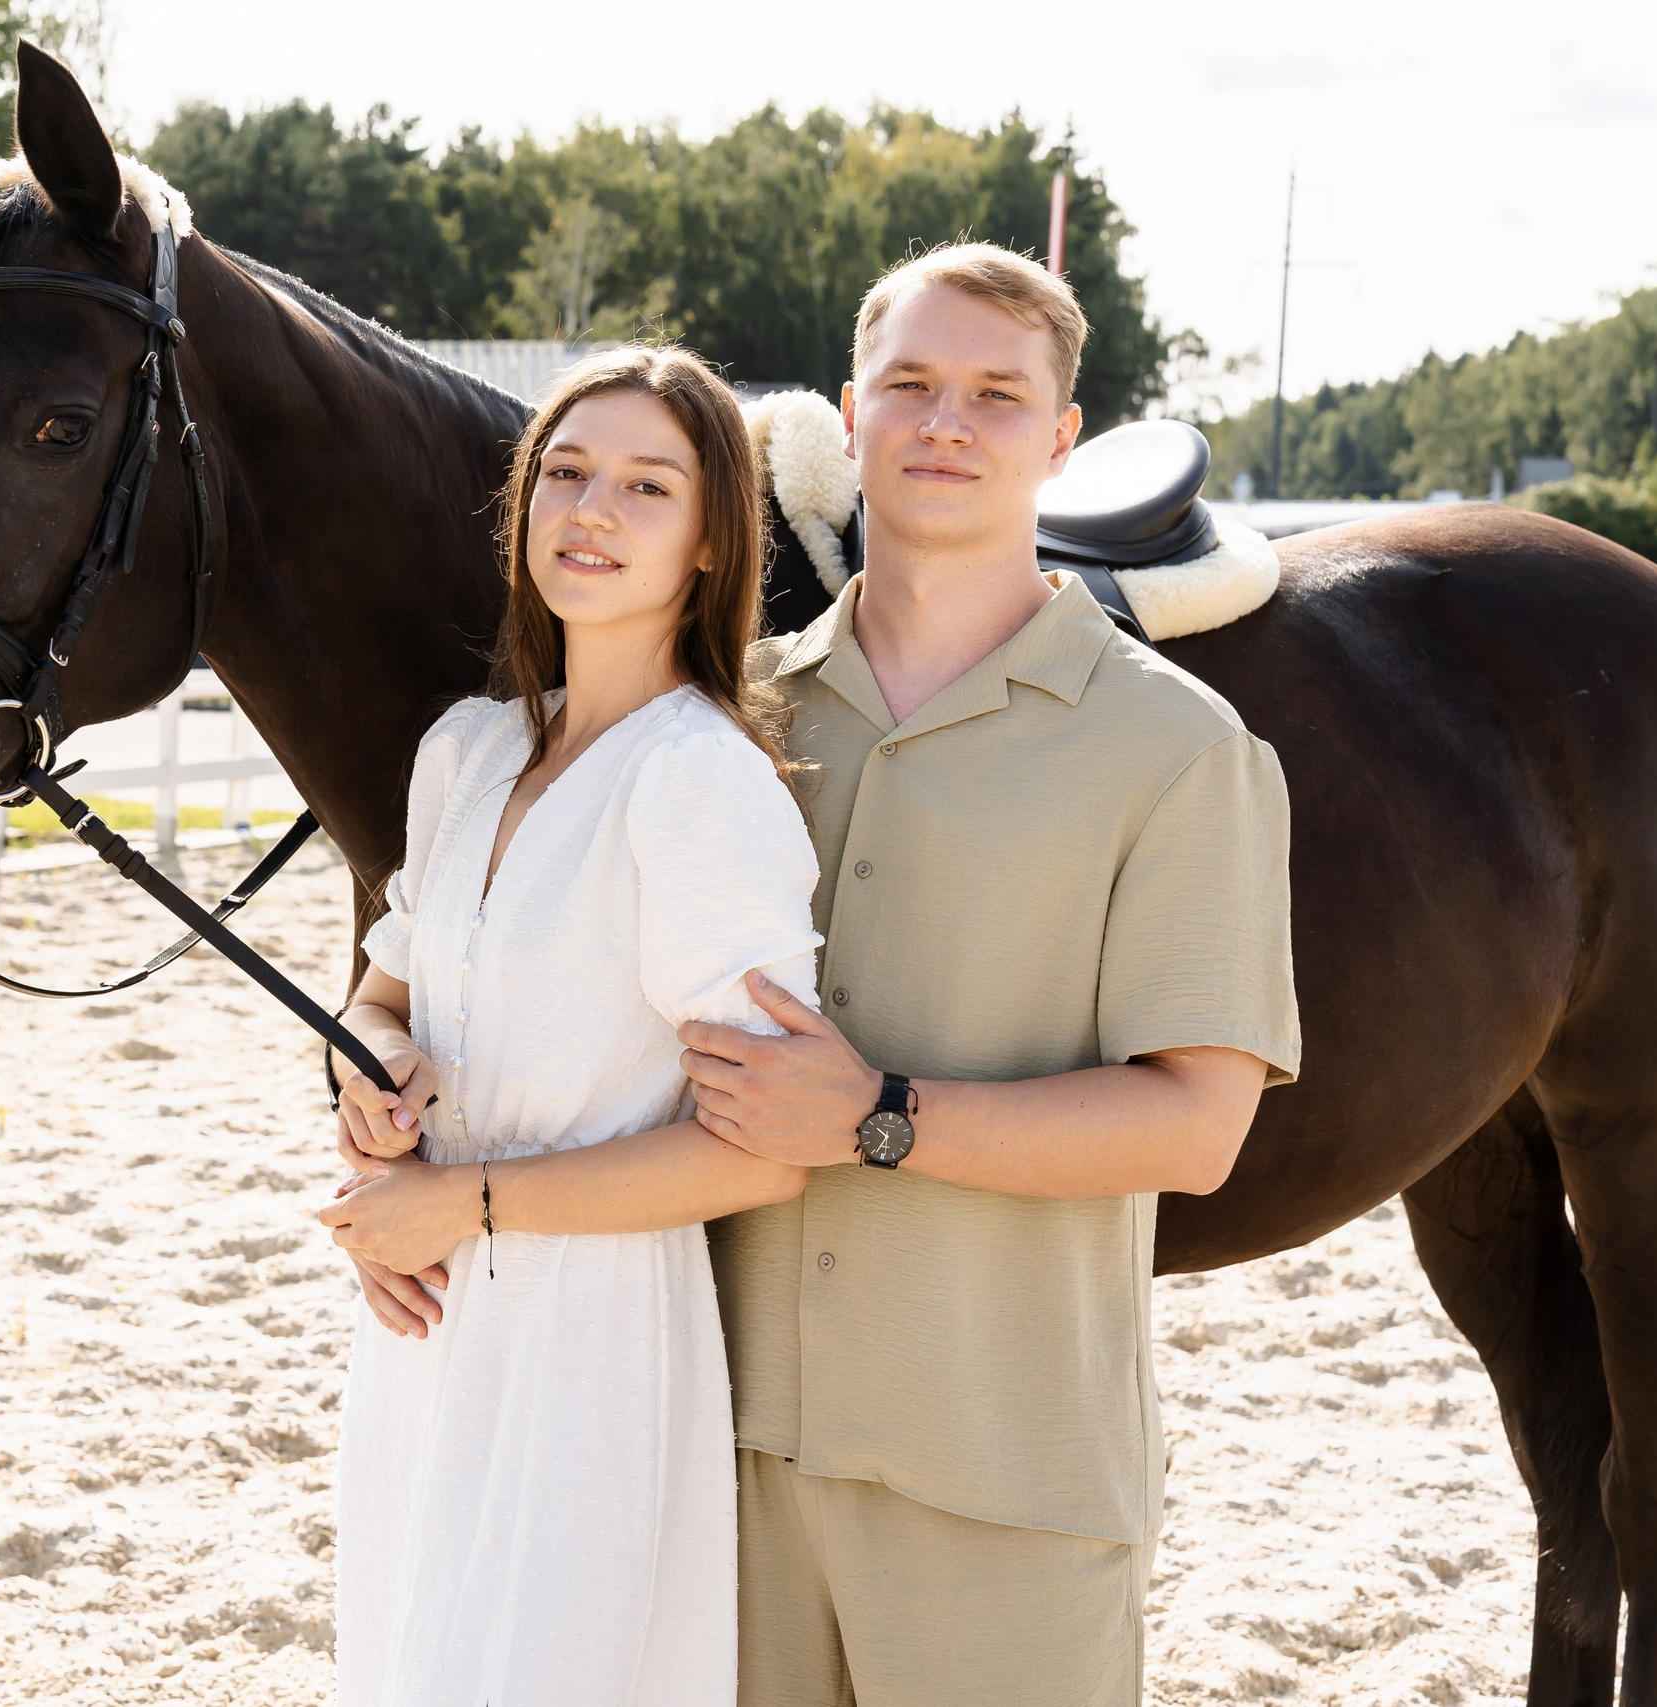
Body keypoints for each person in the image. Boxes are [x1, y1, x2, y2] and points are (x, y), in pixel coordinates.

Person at [344, 243, 1301, 1707]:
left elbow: (1197, 1128)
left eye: (997, 395)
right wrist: (379, 1093)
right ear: (848, 421)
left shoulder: (1177, 748)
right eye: (909, 384)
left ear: (1062, 438)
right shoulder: (733, 719)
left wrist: (880, 1116)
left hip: (1000, 1470)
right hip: (714, 1452)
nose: (945, 423)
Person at [315, 345, 826, 1707]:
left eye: (647, 486)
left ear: (712, 542)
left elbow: (771, 1153)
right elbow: (383, 994)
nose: (591, 510)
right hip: (422, 1318)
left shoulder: (701, 781)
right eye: (567, 472)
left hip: (586, 1342)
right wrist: (369, 1079)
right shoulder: (468, 752)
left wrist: (461, 1202)